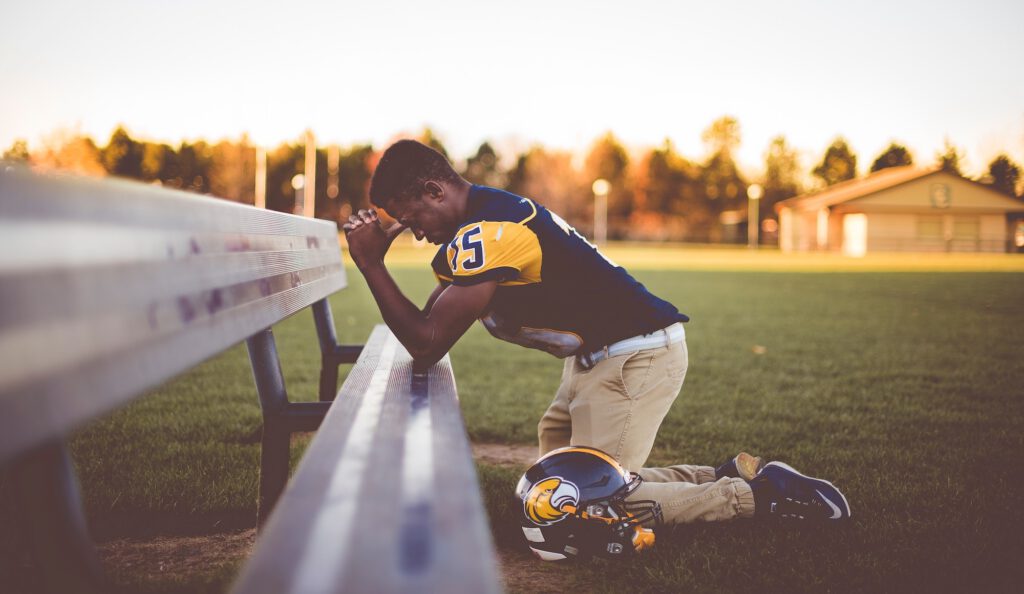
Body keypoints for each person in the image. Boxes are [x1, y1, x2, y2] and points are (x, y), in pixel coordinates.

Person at [342, 139, 850, 534]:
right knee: (556, 488)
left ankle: (762, 498)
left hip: (634, 358)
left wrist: (369, 265)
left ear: (435, 191)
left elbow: (427, 342)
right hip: (599, 359)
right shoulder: (480, 222)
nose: (416, 232)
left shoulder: (489, 229)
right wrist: (376, 264)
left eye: (413, 219)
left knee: (591, 503)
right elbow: (430, 327)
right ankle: (726, 474)